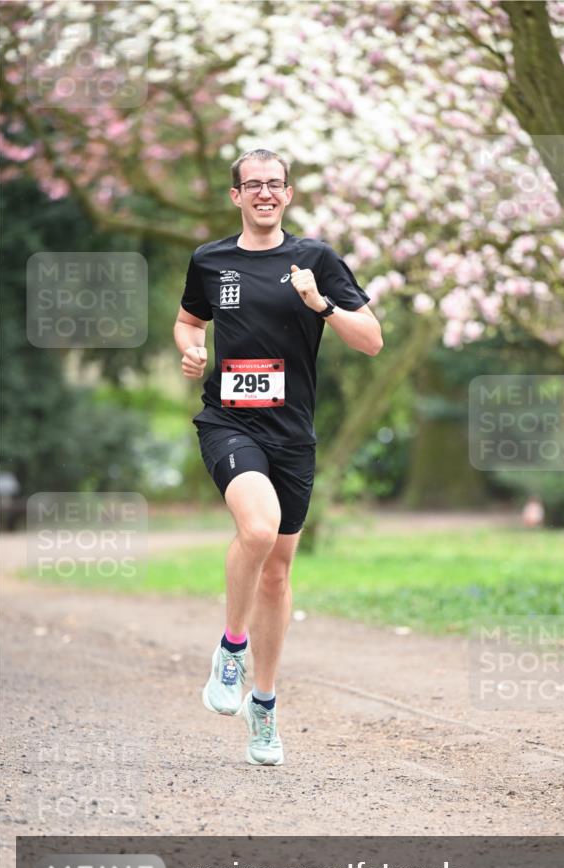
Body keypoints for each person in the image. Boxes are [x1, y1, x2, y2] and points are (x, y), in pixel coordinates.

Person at [174, 148, 382, 766]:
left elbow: (372, 340)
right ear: (236, 195)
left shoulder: (316, 259)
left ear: (288, 194)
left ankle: (263, 706)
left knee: (277, 574)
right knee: (258, 529)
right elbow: (188, 322)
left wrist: (322, 304)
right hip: (229, 422)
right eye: (253, 185)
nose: (264, 193)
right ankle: (231, 647)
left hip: (292, 435)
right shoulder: (210, 261)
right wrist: (192, 349)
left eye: (274, 184)